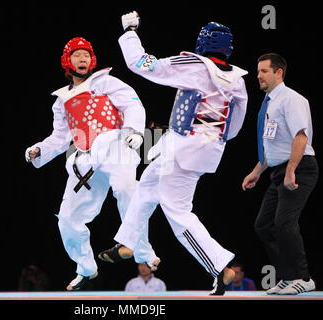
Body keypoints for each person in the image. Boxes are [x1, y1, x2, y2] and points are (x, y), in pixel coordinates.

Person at [99, 12, 248, 295]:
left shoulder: (193, 64)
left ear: (203, 44)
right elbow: (235, 126)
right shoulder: (238, 80)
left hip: (183, 146)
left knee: (178, 211)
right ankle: (129, 241)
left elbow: (140, 63)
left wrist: (130, 31)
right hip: (207, 150)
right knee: (147, 184)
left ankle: (220, 266)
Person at [25, 37, 159, 291]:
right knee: (67, 218)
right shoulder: (61, 100)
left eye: (86, 55)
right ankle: (86, 268)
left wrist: (135, 131)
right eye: (77, 55)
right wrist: (39, 149)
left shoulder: (105, 81)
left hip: (115, 143)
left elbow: (133, 103)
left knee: (125, 187)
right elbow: (60, 137)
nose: (83, 59)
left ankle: (140, 250)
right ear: (67, 61)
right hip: (84, 157)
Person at [242, 53, 318, 295]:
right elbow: (271, 144)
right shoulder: (269, 103)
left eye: (264, 71)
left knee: (284, 224)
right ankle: (287, 277)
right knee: (263, 226)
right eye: (257, 72)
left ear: (278, 73)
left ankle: (303, 278)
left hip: (299, 167)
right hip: (277, 170)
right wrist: (256, 172)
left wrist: (291, 170)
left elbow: (301, 136)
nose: (259, 76)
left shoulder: (292, 99)